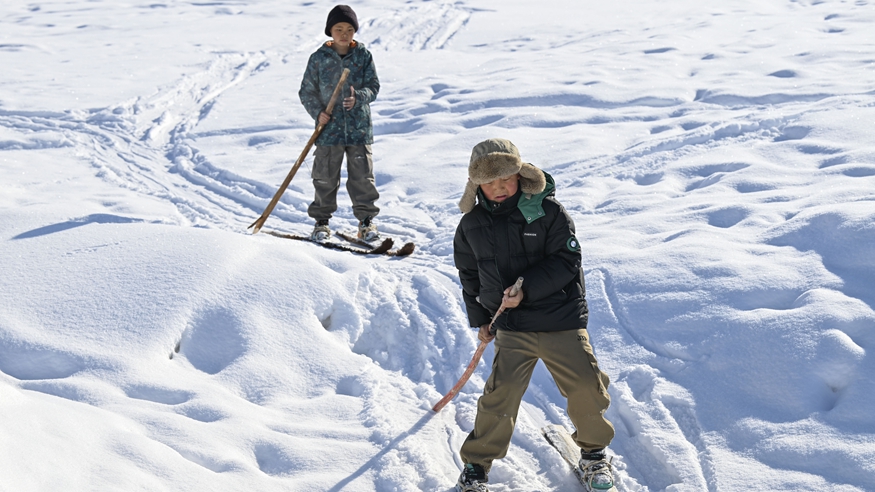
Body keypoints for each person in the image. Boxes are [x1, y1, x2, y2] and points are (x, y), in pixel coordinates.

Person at [452, 139, 615, 492]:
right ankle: (476, 466)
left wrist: (525, 288)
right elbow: (469, 274)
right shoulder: (471, 225)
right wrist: (481, 318)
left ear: (520, 174)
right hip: (511, 326)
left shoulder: (547, 212)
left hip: (560, 319)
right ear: (476, 184)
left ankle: (594, 455)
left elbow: (567, 260)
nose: (499, 187)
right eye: (489, 181)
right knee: (501, 394)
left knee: (587, 386)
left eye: (506, 178)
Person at [299, 5, 381, 241]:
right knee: (325, 177)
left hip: (359, 129)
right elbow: (307, 92)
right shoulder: (318, 59)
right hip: (329, 131)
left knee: (362, 178)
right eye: (339, 29)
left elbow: (373, 87)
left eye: (349, 29)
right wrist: (318, 113)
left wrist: (359, 98)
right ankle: (321, 223)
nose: (344, 34)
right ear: (330, 31)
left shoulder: (363, 56)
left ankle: (366, 223)